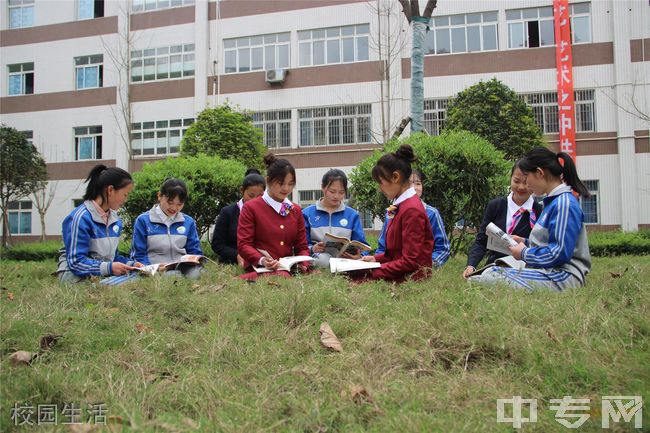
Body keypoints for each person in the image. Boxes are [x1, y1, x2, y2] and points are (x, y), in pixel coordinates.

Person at [474, 147, 592, 291]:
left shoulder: (563, 204)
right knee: (487, 272)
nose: (526, 185)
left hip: (563, 276)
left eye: (527, 178)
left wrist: (524, 253)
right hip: (549, 271)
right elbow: (549, 243)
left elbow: (558, 253)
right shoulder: (552, 203)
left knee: (491, 275)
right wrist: (525, 242)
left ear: (539, 173)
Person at [358, 145, 434, 282]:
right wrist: (376, 259)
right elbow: (395, 253)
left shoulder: (411, 209)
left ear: (395, 177)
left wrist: (373, 272)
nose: (380, 189)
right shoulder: (401, 205)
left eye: (380, 183)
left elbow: (410, 262)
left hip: (409, 280)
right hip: (398, 274)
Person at [56, 164, 141, 283]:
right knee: (126, 283)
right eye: (125, 195)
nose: (125, 200)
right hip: (74, 275)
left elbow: (112, 257)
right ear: (110, 190)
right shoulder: (80, 218)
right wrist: (110, 268)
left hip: (101, 273)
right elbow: (76, 263)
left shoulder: (115, 220)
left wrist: (132, 264)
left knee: (138, 277)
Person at [463, 160, 543, 278]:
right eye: (516, 181)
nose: (521, 187)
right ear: (510, 179)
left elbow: (542, 245)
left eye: (526, 182)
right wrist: (471, 266)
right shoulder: (496, 206)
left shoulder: (539, 211)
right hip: (494, 265)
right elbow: (481, 241)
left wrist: (523, 241)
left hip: (524, 269)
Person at [237, 154, 310, 280]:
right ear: (268, 180)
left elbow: (301, 246)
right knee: (282, 277)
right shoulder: (251, 207)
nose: (286, 188)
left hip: (287, 267)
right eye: (281, 183)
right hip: (260, 266)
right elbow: (244, 245)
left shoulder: (295, 210)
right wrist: (262, 260)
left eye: (290, 184)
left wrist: (303, 264)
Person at [131, 178, 203, 279]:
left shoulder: (188, 221)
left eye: (179, 204)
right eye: (170, 203)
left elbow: (195, 251)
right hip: (156, 269)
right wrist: (151, 268)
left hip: (182, 268)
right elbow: (139, 255)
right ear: (159, 196)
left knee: (198, 273)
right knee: (171, 277)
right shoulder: (143, 220)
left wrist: (195, 260)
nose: (174, 208)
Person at [376, 169, 450, 268]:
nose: (414, 188)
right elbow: (382, 247)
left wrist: (427, 266)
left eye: (418, 184)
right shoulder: (391, 212)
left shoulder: (432, 213)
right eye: (409, 184)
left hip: (418, 270)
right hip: (393, 268)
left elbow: (443, 249)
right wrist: (377, 262)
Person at [302, 169, 368, 267]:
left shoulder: (352, 215)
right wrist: (312, 248)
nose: (336, 196)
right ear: (323, 188)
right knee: (322, 260)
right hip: (319, 258)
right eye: (332, 191)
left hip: (345, 260)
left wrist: (359, 256)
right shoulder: (307, 213)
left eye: (341, 192)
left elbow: (362, 245)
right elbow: (301, 245)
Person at [211, 169, 265, 265]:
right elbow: (217, 244)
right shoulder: (228, 212)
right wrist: (236, 255)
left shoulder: (267, 212)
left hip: (261, 262)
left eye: (259, 196)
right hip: (231, 263)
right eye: (251, 195)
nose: (255, 200)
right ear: (242, 191)